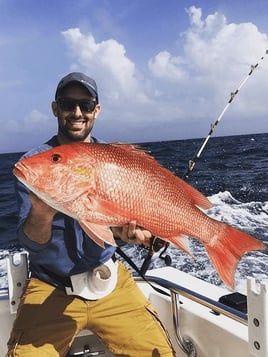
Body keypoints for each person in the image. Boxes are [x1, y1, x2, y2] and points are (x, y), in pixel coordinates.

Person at [7, 72, 176, 356]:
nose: (76, 113)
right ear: (55, 108)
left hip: (109, 281)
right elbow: (32, 243)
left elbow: (116, 223)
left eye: (85, 105)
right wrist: (42, 211)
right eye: (67, 104)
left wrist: (126, 234)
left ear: (96, 110)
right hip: (51, 286)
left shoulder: (113, 161)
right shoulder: (34, 164)